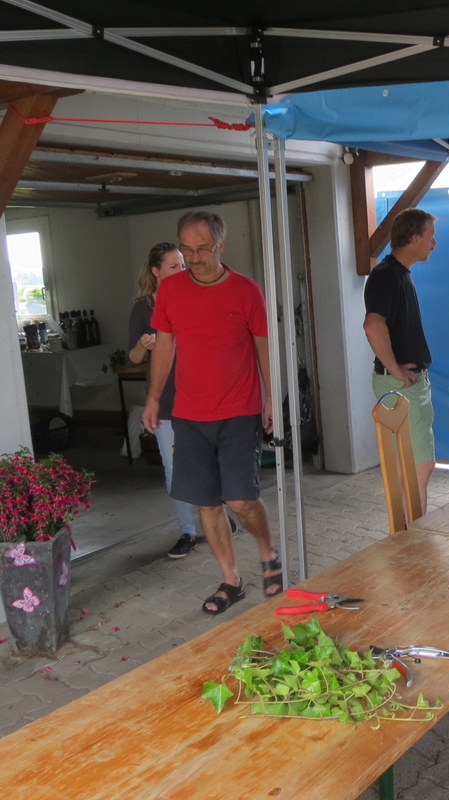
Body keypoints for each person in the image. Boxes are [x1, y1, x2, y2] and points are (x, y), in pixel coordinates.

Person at [142, 210, 282, 615]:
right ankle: (230, 579)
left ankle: (267, 550)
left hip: (238, 409)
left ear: (221, 245)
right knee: (206, 502)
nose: (195, 257)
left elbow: (263, 346)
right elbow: (165, 345)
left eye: (203, 248)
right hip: (189, 413)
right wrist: (153, 397)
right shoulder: (171, 291)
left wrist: (272, 398)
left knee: (240, 498)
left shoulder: (245, 290)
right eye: (187, 249)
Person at [127, 242, 237, 559]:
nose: (182, 270)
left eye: (183, 265)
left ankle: (215, 514)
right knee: (174, 468)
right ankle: (187, 531)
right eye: (174, 266)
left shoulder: (196, 297)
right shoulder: (143, 308)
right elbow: (133, 358)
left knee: (208, 461)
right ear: (156, 271)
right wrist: (144, 345)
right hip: (165, 401)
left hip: (200, 396)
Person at [363, 208, 437, 513]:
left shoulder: (398, 274)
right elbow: (372, 325)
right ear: (414, 237)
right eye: (431, 236)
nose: (434, 243)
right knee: (419, 467)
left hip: (407, 383)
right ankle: (413, 535)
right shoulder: (386, 275)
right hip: (401, 385)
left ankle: (407, 532)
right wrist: (394, 368)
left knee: (410, 467)